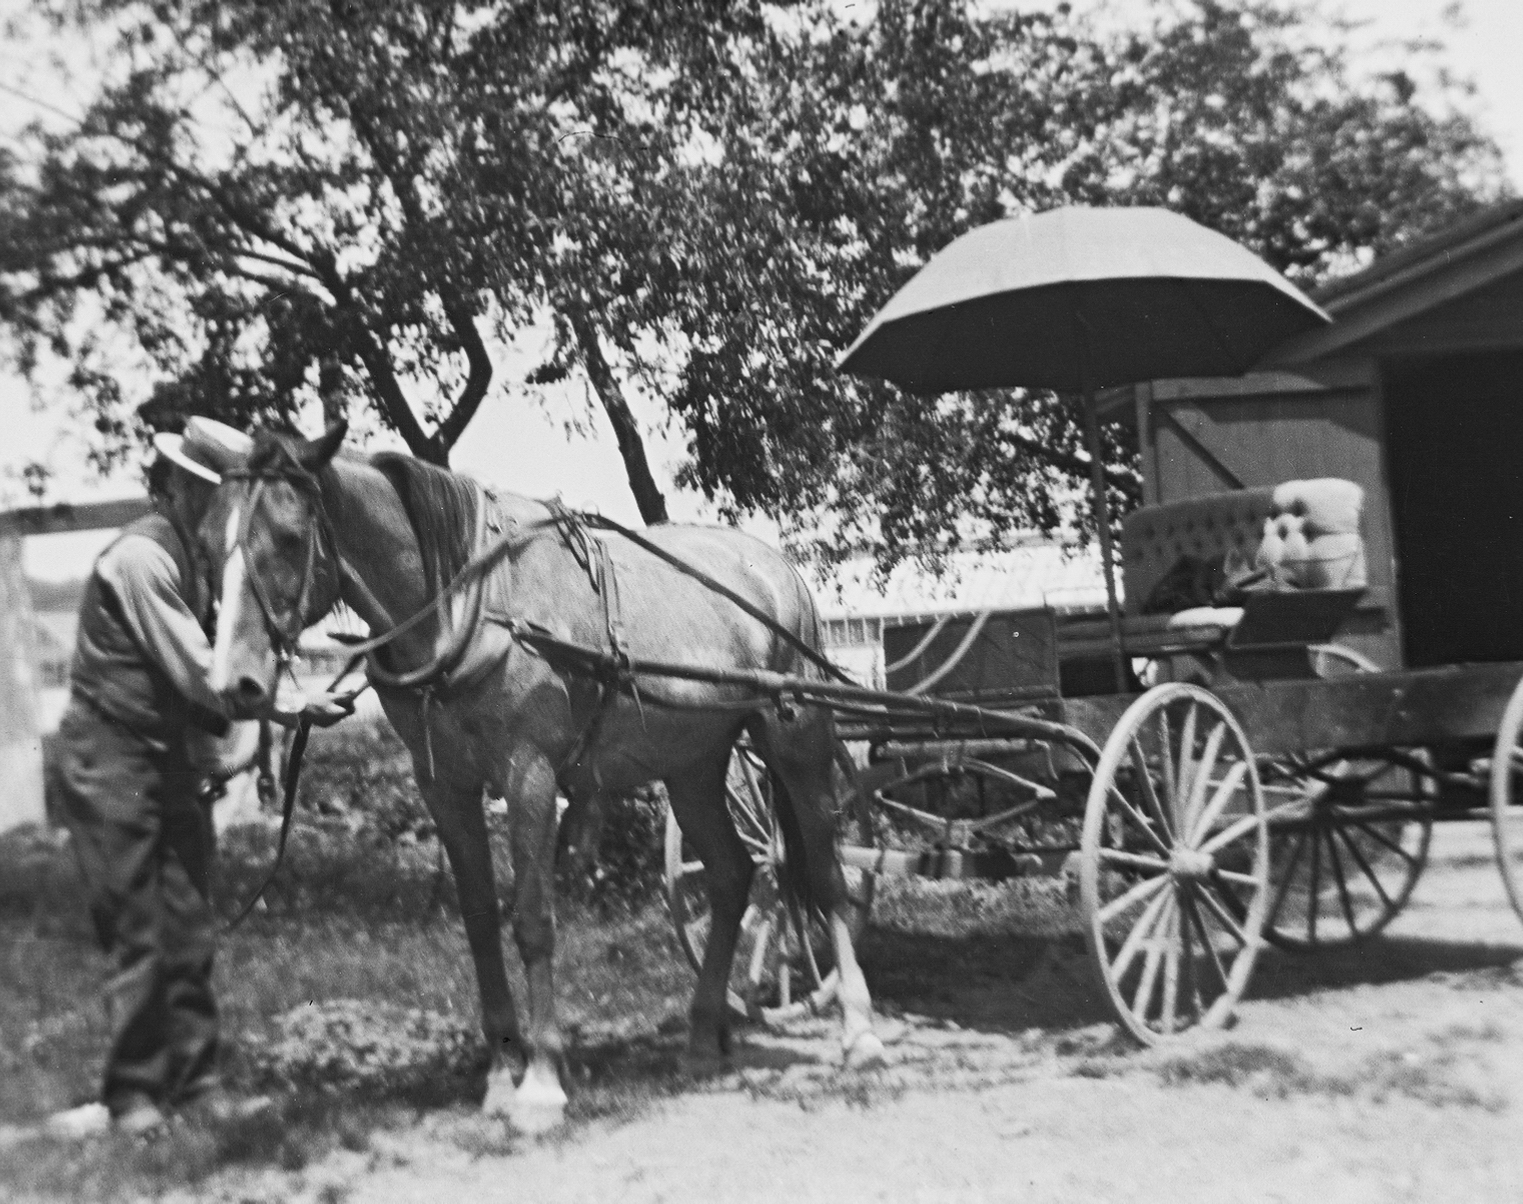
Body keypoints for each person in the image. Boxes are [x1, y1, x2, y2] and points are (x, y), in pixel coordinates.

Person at [45, 418, 348, 1140]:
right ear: (180, 487)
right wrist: (290, 706)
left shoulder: (200, 559)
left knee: (188, 924)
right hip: (108, 756)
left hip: (162, 758)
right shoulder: (141, 559)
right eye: (216, 491)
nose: (225, 505)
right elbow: (199, 671)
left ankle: (198, 1084)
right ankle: (134, 1099)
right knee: (140, 929)